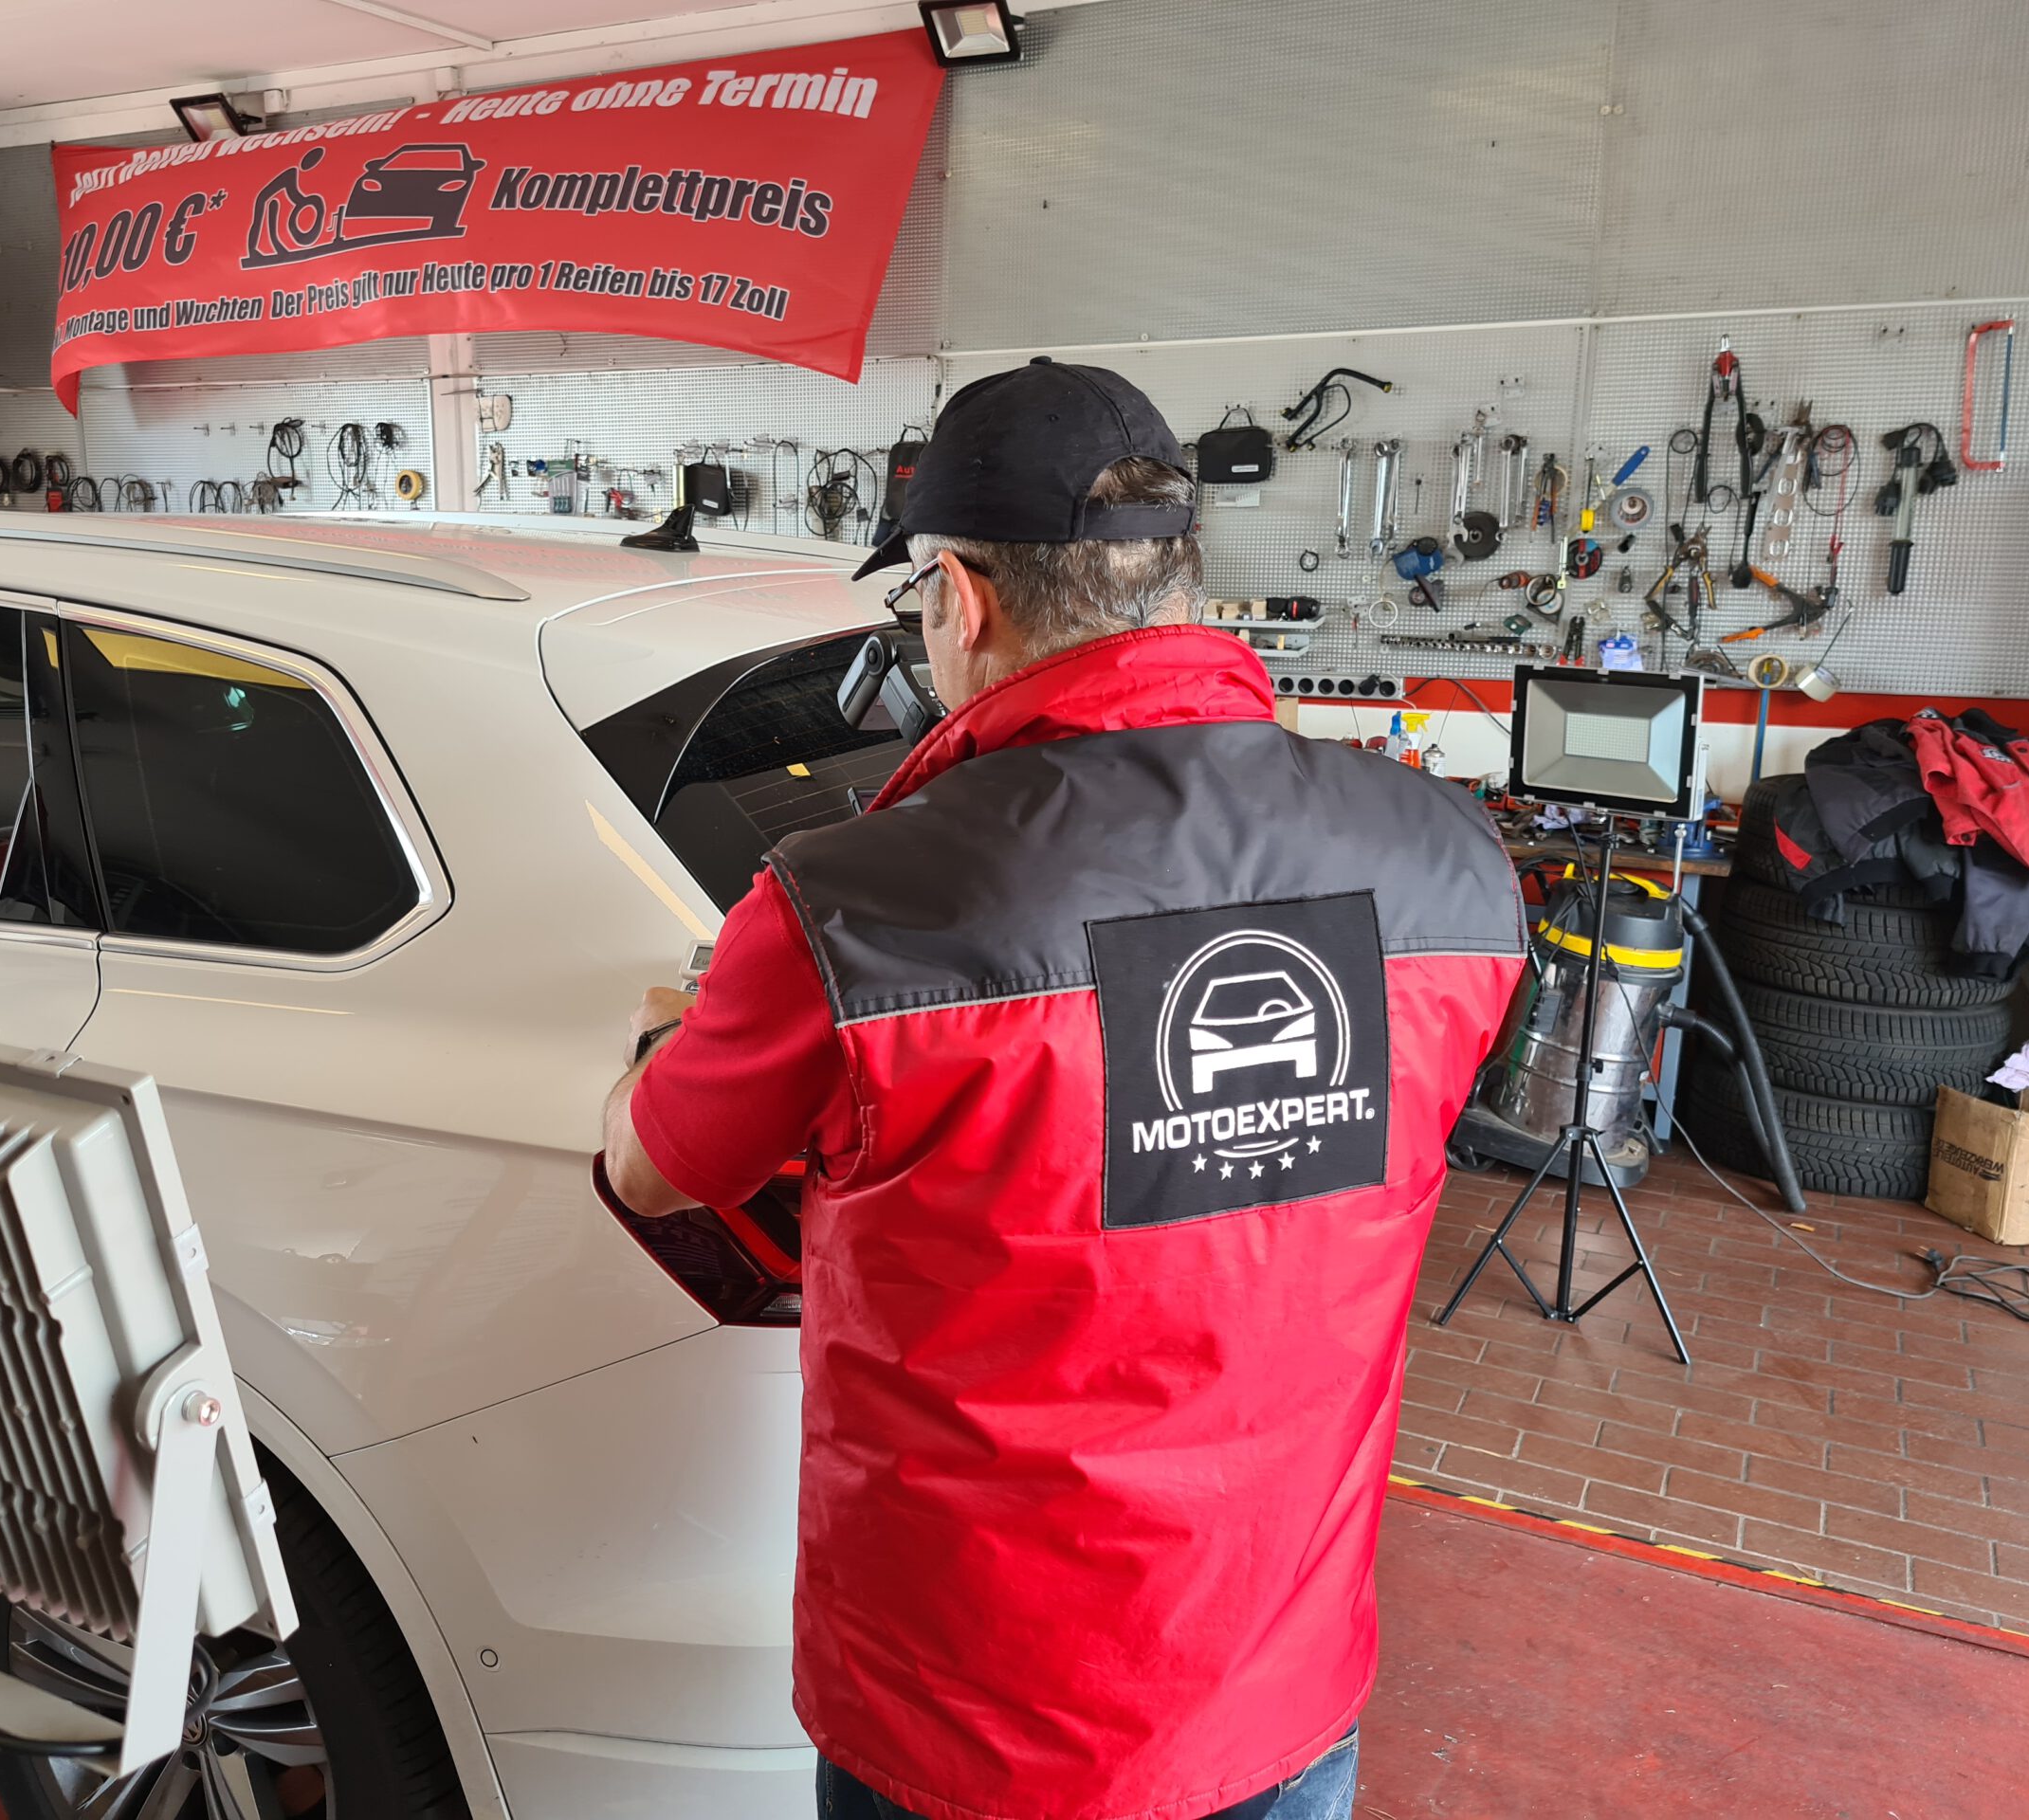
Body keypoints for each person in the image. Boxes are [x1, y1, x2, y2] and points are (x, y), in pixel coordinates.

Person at [602, 359, 1527, 1820]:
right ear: (1176, 576)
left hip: (972, 1724)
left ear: (962, 601)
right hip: (1281, 1690)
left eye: (920, 599)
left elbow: (657, 1169)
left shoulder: (854, 906)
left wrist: (671, 1045)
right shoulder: (1451, 865)